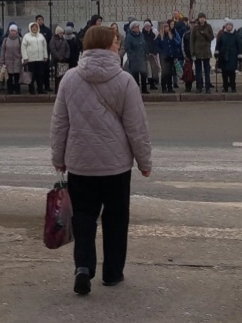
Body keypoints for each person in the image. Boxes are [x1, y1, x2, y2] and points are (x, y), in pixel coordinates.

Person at [50, 25, 152, 296]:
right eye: (116, 42)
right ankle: (112, 273)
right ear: (107, 46)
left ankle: (83, 267)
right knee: (116, 219)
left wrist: (58, 158)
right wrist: (144, 161)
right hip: (116, 166)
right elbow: (136, 127)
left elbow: (60, 123)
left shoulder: (70, 79)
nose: (118, 46)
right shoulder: (125, 80)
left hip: (80, 164)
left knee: (83, 218)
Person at [189, 13, 215, 94]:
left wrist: (205, 33)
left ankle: (207, 87)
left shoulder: (208, 27)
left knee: (207, 71)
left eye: (203, 18)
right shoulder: (195, 28)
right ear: (198, 19)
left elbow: (211, 37)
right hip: (197, 52)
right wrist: (192, 52)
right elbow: (192, 41)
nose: (202, 19)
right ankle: (199, 87)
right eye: (200, 18)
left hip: (206, 52)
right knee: (198, 71)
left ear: (205, 18)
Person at [121, 20, 149, 94]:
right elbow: (128, 48)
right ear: (132, 28)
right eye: (136, 27)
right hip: (134, 59)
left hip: (142, 58)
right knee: (135, 75)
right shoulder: (129, 37)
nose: (138, 28)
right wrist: (133, 55)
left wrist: (146, 52)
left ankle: (144, 89)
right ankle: (136, 90)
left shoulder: (141, 35)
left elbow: (144, 44)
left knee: (144, 74)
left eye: (138, 27)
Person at [22, 22, 50, 95]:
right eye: (33, 27)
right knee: (32, 75)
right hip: (31, 60)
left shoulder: (41, 36)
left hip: (40, 59)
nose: (34, 28)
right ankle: (31, 90)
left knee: (40, 75)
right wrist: (25, 57)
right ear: (30, 28)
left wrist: (45, 56)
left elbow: (44, 46)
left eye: (36, 27)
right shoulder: (26, 36)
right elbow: (23, 48)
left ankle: (40, 89)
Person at [156, 21, 181, 94]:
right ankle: (164, 88)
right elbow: (157, 46)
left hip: (171, 56)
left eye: (168, 27)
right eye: (166, 27)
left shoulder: (170, 36)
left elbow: (174, 45)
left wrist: (175, 54)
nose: (167, 29)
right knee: (164, 73)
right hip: (164, 57)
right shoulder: (160, 37)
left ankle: (170, 87)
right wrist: (162, 52)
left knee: (170, 72)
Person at [2, 24, 24, 94]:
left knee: (17, 76)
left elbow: (22, 50)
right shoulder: (5, 40)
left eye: (14, 31)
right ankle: (10, 90)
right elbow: (3, 50)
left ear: (16, 31)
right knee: (9, 77)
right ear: (9, 31)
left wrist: (22, 58)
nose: (12, 32)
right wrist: (2, 61)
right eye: (11, 31)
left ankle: (17, 90)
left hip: (17, 61)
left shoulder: (20, 40)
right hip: (8, 61)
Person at [142, 20, 160, 90]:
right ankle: (148, 84)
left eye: (149, 26)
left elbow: (155, 44)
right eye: (146, 26)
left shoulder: (153, 35)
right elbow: (144, 45)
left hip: (153, 55)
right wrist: (146, 53)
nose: (148, 27)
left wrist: (155, 52)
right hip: (146, 55)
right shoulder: (142, 35)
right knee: (148, 71)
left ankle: (153, 84)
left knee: (153, 70)